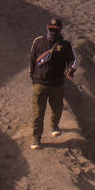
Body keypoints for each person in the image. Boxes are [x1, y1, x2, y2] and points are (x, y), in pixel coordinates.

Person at [28, 17, 79, 149]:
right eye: (51, 29)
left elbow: (74, 61)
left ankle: (54, 125)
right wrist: (33, 77)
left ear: (60, 30)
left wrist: (70, 70)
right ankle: (36, 138)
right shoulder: (38, 42)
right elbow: (32, 60)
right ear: (47, 28)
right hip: (40, 83)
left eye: (55, 30)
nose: (53, 32)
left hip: (57, 84)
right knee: (38, 113)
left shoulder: (66, 45)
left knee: (57, 108)